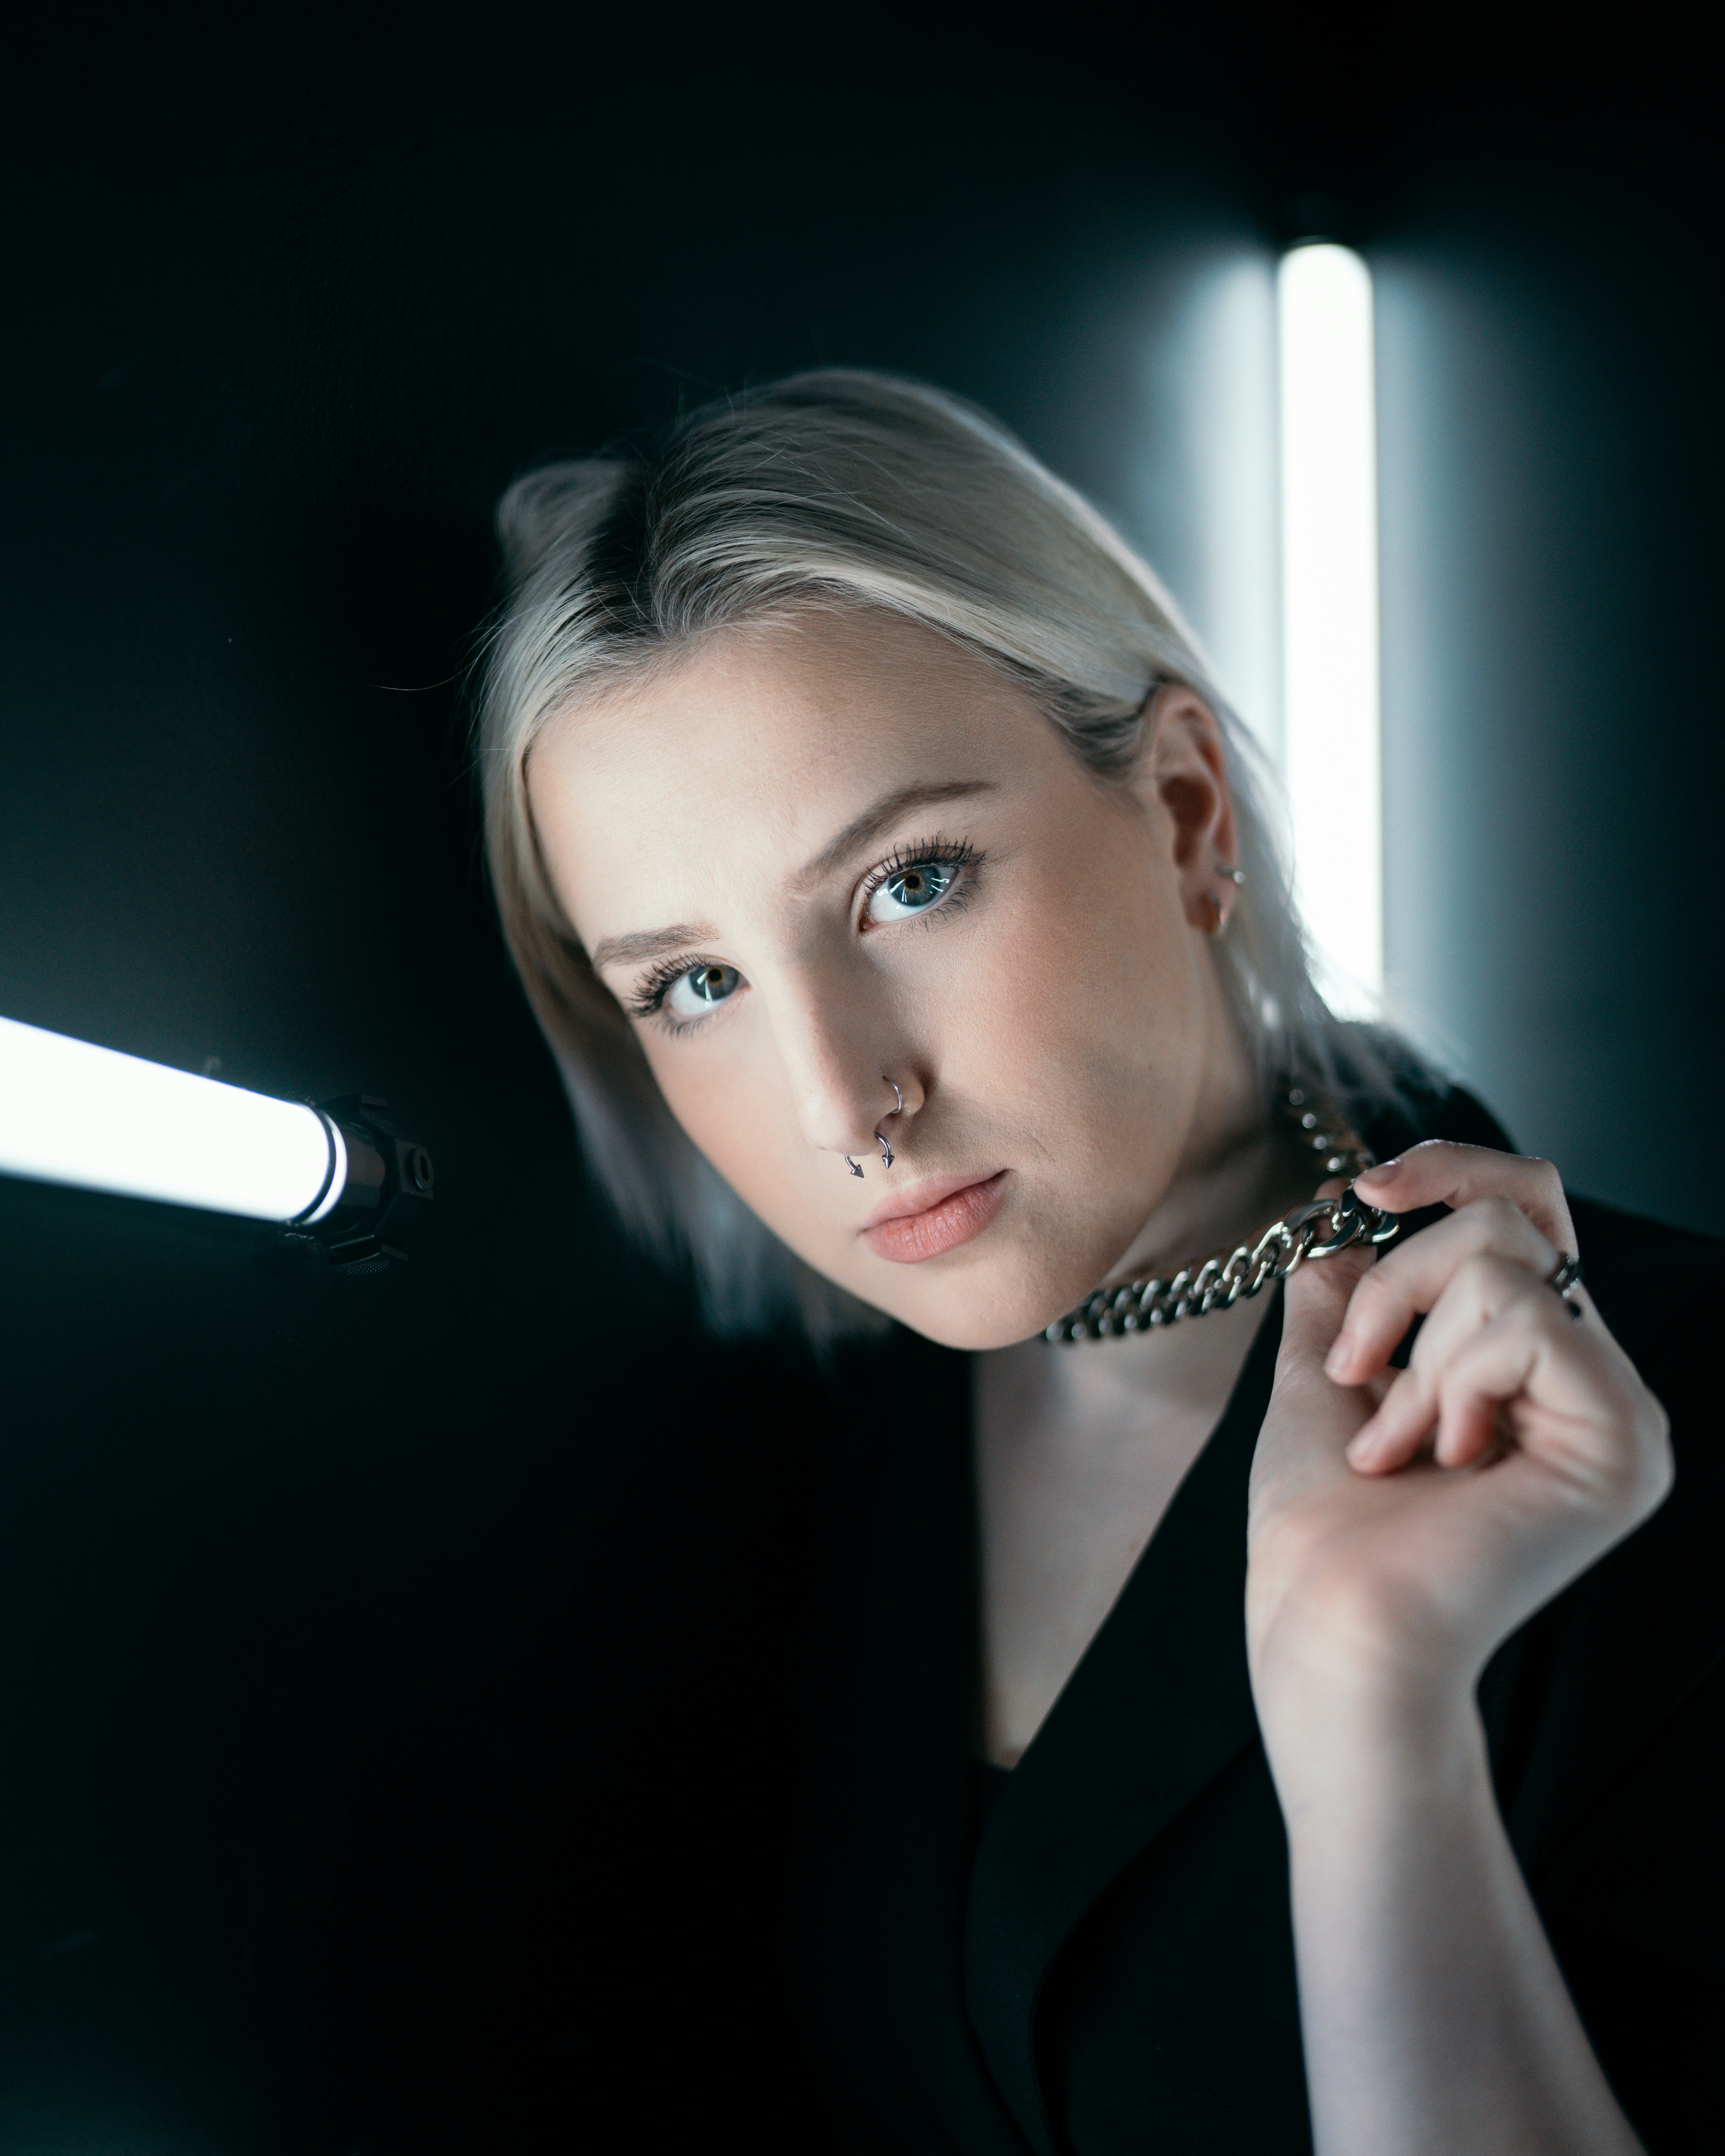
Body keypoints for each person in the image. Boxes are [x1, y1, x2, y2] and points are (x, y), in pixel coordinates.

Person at [474, 371, 1722, 2153]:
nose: (848, 1102)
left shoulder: (1689, 1414)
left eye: (908, 882)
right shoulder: (785, 1464)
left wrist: (1375, 1726)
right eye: (695, 983)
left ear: (1190, 811)